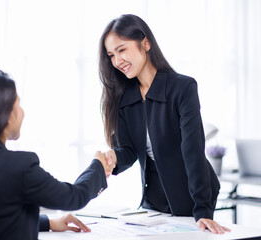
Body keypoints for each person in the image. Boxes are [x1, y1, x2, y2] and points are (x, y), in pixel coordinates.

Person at [0, 69, 114, 240]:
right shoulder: (18, 167)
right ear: (4, 115)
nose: (22, 112)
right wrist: (97, 165)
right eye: (18, 104)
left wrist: (49, 223)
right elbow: (74, 198)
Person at [98, 14, 230, 234]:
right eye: (111, 55)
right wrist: (113, 157)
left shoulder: (183, 88)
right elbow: (129, 151)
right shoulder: (124, 96)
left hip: (192, 196)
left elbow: (193, 151)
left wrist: (203, 210)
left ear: (146, 43)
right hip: (153, 201)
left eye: (122, 50)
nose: (116, 61)